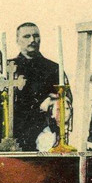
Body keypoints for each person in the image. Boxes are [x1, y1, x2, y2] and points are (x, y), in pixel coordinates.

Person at [10, 23, 68, 151]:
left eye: (36, 36)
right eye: (26, 36)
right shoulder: (9, 67)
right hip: (15, 131)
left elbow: (65, 100)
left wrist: (53, 100)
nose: (32, 40)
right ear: (17, 40)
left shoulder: (53, 68)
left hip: (44, 131)